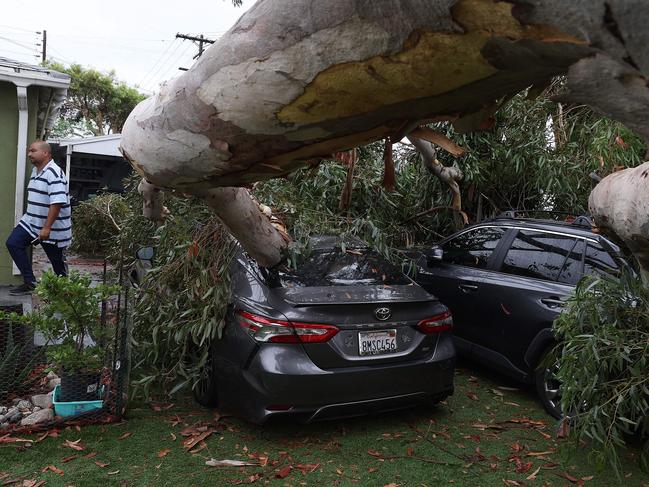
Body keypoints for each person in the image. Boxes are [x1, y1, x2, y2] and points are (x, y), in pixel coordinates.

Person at [6, 141, 71, 295]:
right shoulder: (36, 170)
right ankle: (30, 282)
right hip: (31, 222)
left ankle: (65, 297)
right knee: (13, 243)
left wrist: (47, 227)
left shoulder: (54, 173)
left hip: (53, 229)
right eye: (29, 151)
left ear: (45, 153)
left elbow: (57, 202)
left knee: (58, 266)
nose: (29, 154)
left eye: (33, 151)